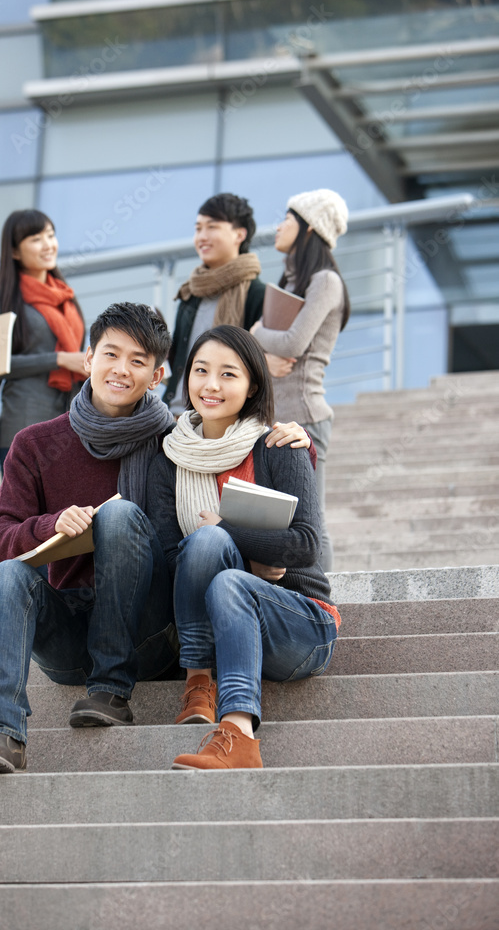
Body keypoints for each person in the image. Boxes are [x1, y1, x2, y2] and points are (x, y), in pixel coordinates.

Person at [0, 302, 180, 775]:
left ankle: (112, 690)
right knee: (7, 575)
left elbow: (244, 441)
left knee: (120, 514)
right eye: (111, 354)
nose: (121, 370)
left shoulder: (176, 440)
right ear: (87, 360)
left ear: (158, 374)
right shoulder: (36, 444)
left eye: (138, 360)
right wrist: (50, 524)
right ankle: (1, 735)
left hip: (148, 629)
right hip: (68, 634)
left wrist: (294, 439)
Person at [147, 325, 340, 771]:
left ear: (252, 384)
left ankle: (237, 734)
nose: (211, 385)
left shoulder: (279, 445)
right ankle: (198, 683)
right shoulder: (168, 460)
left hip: (299, 622)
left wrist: (230, 533)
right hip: (222, 624)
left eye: (228, 374)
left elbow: (307, 545)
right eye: (200, 371)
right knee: (211, 547)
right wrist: (244, 554)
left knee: (224, 560)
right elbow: (171, 558)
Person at [251, 189, 350, 572]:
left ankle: (320, 601)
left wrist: (256, 331)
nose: (278, 226)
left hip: (305, 417)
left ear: (310, 227)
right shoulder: (293, 282)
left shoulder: (325, 281)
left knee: (313, 523)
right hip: (276, 417)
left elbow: (294, 342)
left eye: (287, 219)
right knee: (280, 523)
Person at [0, 209, 86, 471]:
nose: (48, 245)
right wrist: (59, 359)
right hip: (23, 420)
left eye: (50, 235)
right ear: (15, 252)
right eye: (36, 239)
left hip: (71, 420)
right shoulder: (0, 299)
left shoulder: (66, 298)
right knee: (25, 510)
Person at [163, 192, 265, 416]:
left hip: (225, 422)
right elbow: (182, 358)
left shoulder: (258, 295)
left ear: (239, 234)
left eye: (212, 227)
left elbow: (263, 367)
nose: (202, 236)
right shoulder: (191, 292)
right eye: (198, 229)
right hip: (176, 414)